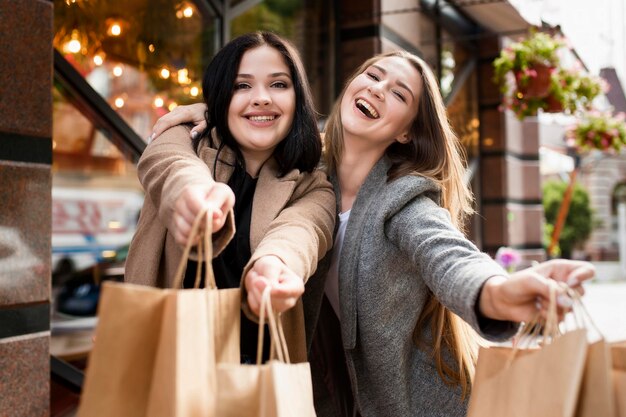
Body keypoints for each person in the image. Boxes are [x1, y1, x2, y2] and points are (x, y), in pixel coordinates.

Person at [149, 50, 595, 416]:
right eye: (372, 74)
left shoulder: (404, 200)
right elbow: (263, 120)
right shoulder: (303, 172)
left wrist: (497, 291)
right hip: (327, 400)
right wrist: (208, 110)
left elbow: (448, 255)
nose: (378, 89)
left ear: (405, 132)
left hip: (418, 403)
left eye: (398, 93)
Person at [124, 31, 336, 364]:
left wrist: (276, 266)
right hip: (163, 367)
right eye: (242, 86)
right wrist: (195, 195)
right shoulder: (184, 138)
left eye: (279, 84)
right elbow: (167, 164)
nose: (262, 98)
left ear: (298, 98)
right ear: (221, 96)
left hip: (256, 380)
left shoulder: (313, 186)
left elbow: (303, 232)